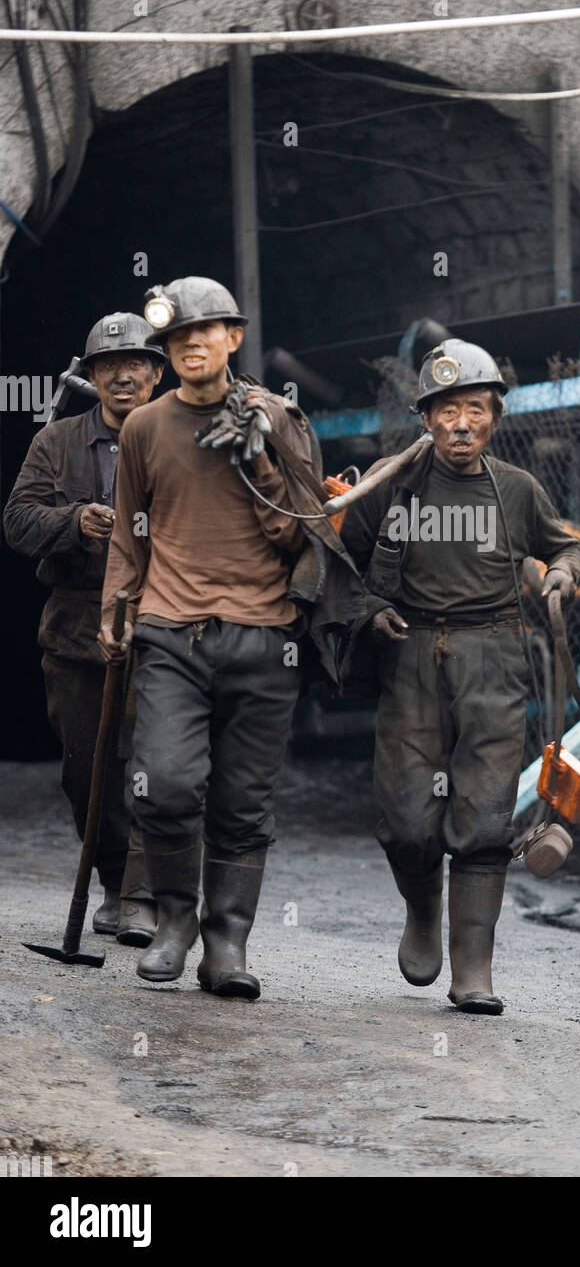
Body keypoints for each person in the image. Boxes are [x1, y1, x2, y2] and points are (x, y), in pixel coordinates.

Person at [100, 276, 368, 1000]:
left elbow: (299, 536)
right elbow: (129, 529)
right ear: (167, 351)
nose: (192, 345)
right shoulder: (144, 429)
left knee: (244, 803)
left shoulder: (280, 418)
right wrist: (113, 608)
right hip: (170, 633)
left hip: (266, 638)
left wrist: (260, 452)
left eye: (205, 332)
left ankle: (227, 944)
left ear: (233, 339)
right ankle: (174, 925)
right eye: (178, 338)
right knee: (165, 784)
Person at [341, 339, 580, 1014]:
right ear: (426, 420)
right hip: (411, 654)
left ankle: (473, 966)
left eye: (474, 409)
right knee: (409, 818)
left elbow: (560, 542)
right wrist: (372, 609)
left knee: (483, 817)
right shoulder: (392, 487)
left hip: (494, 657)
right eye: (446, 411)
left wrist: (562, 572)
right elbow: (340, 560)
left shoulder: (516, 488)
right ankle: (424, 912)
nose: (460, 425)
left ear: (494, 418)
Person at [4, 313, 165, 941]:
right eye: (108, 367)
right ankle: (116, 881)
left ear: (157, 372)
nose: (122, 377)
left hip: (161, 623)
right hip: (75, 628)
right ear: (92, 375)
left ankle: (147, 896)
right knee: (87, 769)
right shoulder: (57, 442)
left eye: (136, 366)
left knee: (158, 761)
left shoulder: (183, 435)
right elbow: (17, 522)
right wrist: (73, 522)